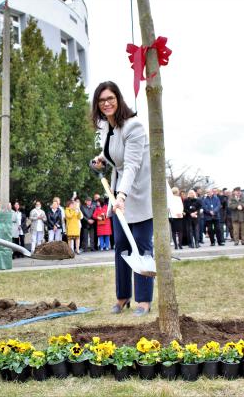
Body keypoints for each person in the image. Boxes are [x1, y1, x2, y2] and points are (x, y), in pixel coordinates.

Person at [91, 81, 154, 316]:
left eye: (110, 98)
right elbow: (113, 155)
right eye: (101, 100)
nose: (106, 103)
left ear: (119, 99)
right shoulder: (110, 127)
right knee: (121, 247)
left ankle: (144, 301)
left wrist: (122, 195)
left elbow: (131, 164)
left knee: (141, 247)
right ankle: (122, 297)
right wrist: (100, 160)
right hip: (117, 195)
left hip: (137, 193)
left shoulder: (133, 126)